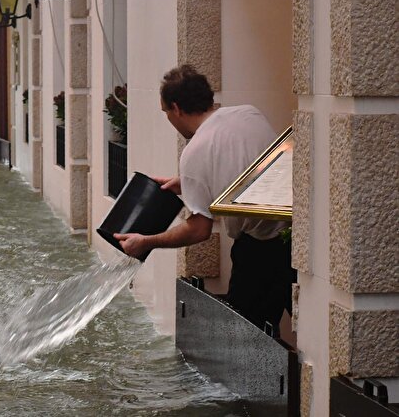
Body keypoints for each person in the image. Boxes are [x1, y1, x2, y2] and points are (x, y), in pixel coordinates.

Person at [114, 65, 295, 332]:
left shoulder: (195, 153)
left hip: (260, 249)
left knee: (246, 339)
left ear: (176, 108)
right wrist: (186, 185)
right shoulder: (249, 113)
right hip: (297, 236)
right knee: (310, 331)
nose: (168, 118)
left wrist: (146, 243)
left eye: (165, 112)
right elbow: (248, 170)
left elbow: (199, 230)